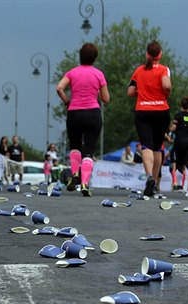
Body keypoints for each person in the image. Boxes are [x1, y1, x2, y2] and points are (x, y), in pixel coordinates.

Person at [56, 42, 110, 196]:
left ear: (80, 57)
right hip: (93, 113)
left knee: (75, 146)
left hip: (75, 113)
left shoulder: (72, 73)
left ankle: (75, 175)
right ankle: (85, 183)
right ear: (95, 58)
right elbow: (106, 99)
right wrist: (97, 93)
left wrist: (67, 101)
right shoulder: (98, 74)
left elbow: (59, 87)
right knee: (89, 151)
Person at [127, 40, 172, 197]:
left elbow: (130, 91)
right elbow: (166, 86)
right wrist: (166, 94)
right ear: (160, 55)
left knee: (146, 145)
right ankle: (155, 182)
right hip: (161, 110)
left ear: (147, 54)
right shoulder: (164, 70)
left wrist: (141, 93)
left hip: (143, 111)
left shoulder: (139, 71)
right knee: (158, 146)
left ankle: (149, 177)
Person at [169, 94, 188, 196]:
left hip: (180, 141)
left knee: (178, 164)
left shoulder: (179, 115)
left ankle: (177, 185)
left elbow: (172, 129)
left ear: (181, 105)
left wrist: (171, 125)